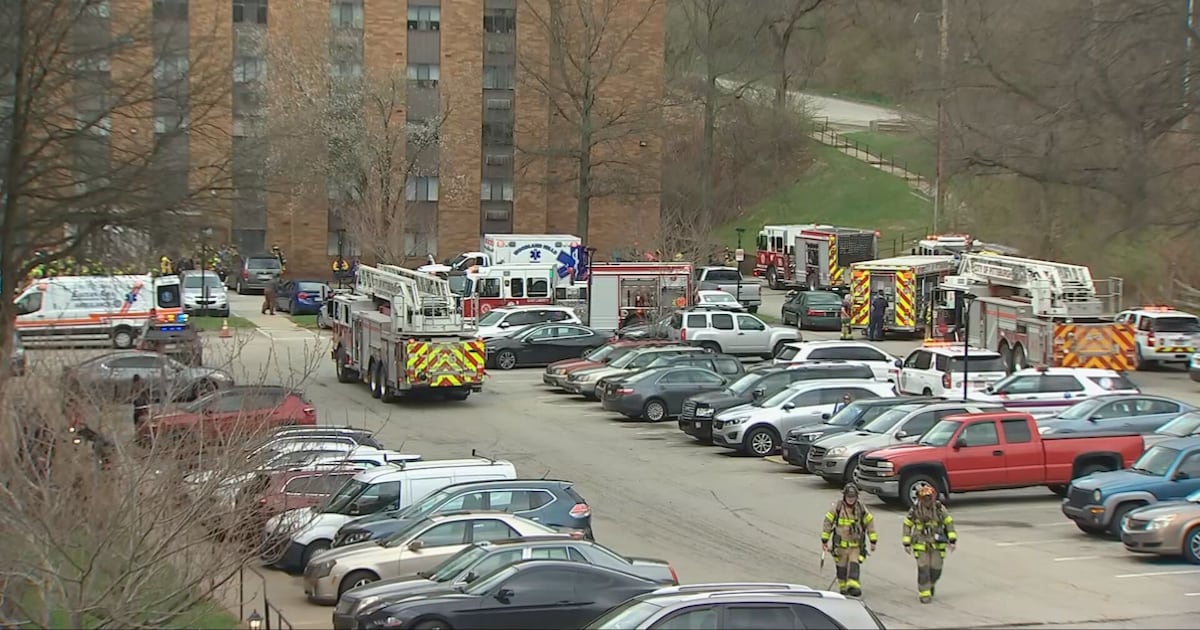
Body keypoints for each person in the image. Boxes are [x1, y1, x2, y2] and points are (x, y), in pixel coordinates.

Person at [902, 485, 957, 603]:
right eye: (924, 498)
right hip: (920, 543)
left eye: (929, 498)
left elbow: (949, 523)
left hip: (937, 544)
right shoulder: (915, 510)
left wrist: (952, 540)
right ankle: (924, 593)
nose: (927, 501)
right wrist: (906, 542)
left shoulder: (939, 509)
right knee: (923, 568)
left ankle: (930, 584)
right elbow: (907, 524)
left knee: (936, 569)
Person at [821, 483, 877, 597]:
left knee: (854, 565)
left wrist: (873, 541)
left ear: (857, 497)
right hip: (840, 547)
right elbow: (828, 523)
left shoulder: (861, 508)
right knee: (841, 569)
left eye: (853, 497)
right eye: (848, 497)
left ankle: (854, 587)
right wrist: (824, 540)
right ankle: (843, 588)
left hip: (855, 546)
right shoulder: (837, 508)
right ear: (844, 497)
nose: (850, 500)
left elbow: (870, 523)